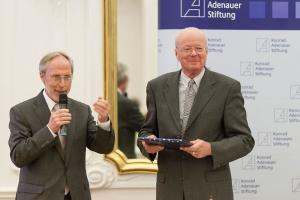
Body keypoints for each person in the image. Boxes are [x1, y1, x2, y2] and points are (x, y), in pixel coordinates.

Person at [138, 27, 255, 200]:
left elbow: (245, 140)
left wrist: (211, 149)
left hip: (210, 190)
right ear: (176, 53)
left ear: (206, 51)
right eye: (187, 49)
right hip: (169, 190)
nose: (194, 53)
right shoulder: (156, 87)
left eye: (199, 48)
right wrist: (148, 144)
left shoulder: (228, 88)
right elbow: (145, 132)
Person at [8, 51, 115, 200]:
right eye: (56, 77)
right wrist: (49, 130)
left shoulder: (82, 110)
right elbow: (18, 156)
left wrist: (103, 121)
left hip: (76, 195)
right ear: (42, 76)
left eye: (67, 77)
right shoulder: (21, 112)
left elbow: (103, 147)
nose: (63, 84)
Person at [117, 62, 144, 158]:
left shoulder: (103, 98)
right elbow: (145, 128)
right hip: (124, 161)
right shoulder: (126, 104)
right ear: (125, 79)